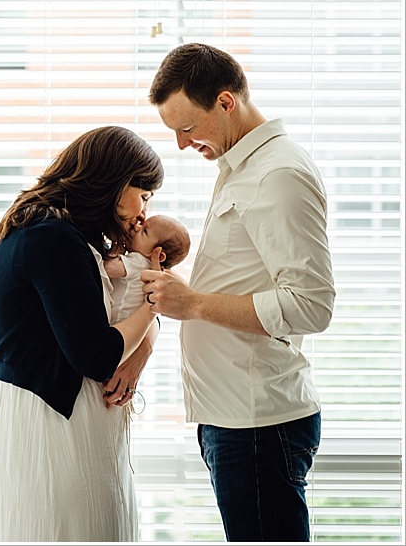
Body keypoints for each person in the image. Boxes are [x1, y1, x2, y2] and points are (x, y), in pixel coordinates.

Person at [140, 43, 334, 541]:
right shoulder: (241, 167)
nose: (181, 144)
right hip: (234, 420)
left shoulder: (278, 174)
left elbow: (310, 305)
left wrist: (195, 303)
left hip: (258, 426)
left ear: (226, 102)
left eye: (187, 128)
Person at [0, 125, 163, 541]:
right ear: (117, 185)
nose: (144, 210)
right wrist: (156, 306)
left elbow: (117, 325)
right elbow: (98, 355)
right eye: (145, 194)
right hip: (56, 434)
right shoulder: (53, 240)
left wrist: (147, 335)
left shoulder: (62, 237)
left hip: (63, 424)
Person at [101, 214, 190, 323]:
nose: (137, 227)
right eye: (142, 225)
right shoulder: (150, 271)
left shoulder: (140, 262)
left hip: (115, 322)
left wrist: (117, 246)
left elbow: (107, 269)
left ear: (159, 255)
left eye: (145, 231)